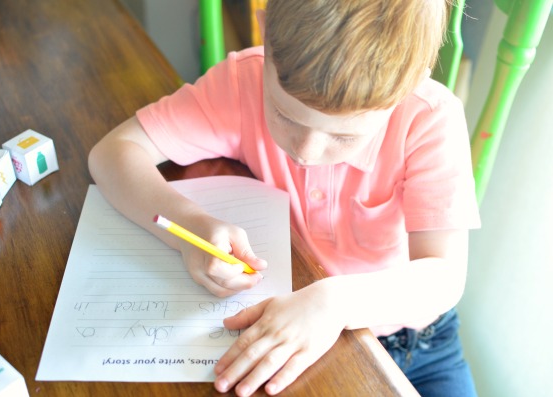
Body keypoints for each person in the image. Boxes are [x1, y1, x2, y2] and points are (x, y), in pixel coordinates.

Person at [88, 0, 481, 395]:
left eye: (344, 136)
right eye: (285, 115)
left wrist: (336, 302)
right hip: (298, 328)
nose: (306, 151)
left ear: (410, 84)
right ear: (265, 32)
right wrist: (187, 225)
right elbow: (113, 154)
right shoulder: (242, 82)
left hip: (417, 341)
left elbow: (443, 278)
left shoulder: (429, 120)